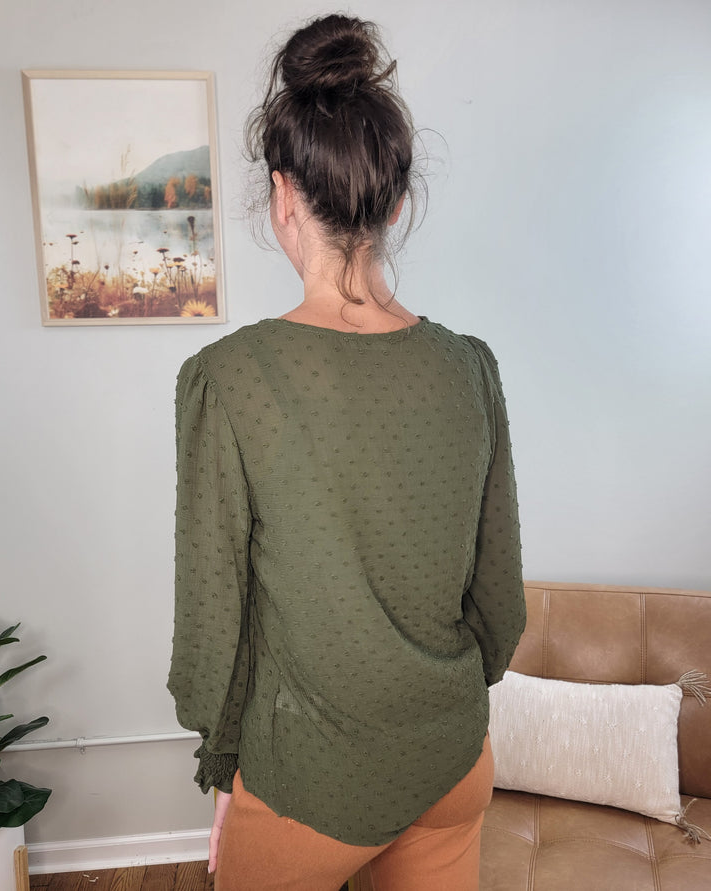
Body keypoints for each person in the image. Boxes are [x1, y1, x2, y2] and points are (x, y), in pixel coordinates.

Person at [168, 13, 526, 891]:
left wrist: (224, 766)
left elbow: (215, 622)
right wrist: (438, 700)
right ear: (395, 202)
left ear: (283, 197)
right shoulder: (469, 367)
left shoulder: (231, 376)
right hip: (450, 765)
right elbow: (500, 601)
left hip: (307, 790)